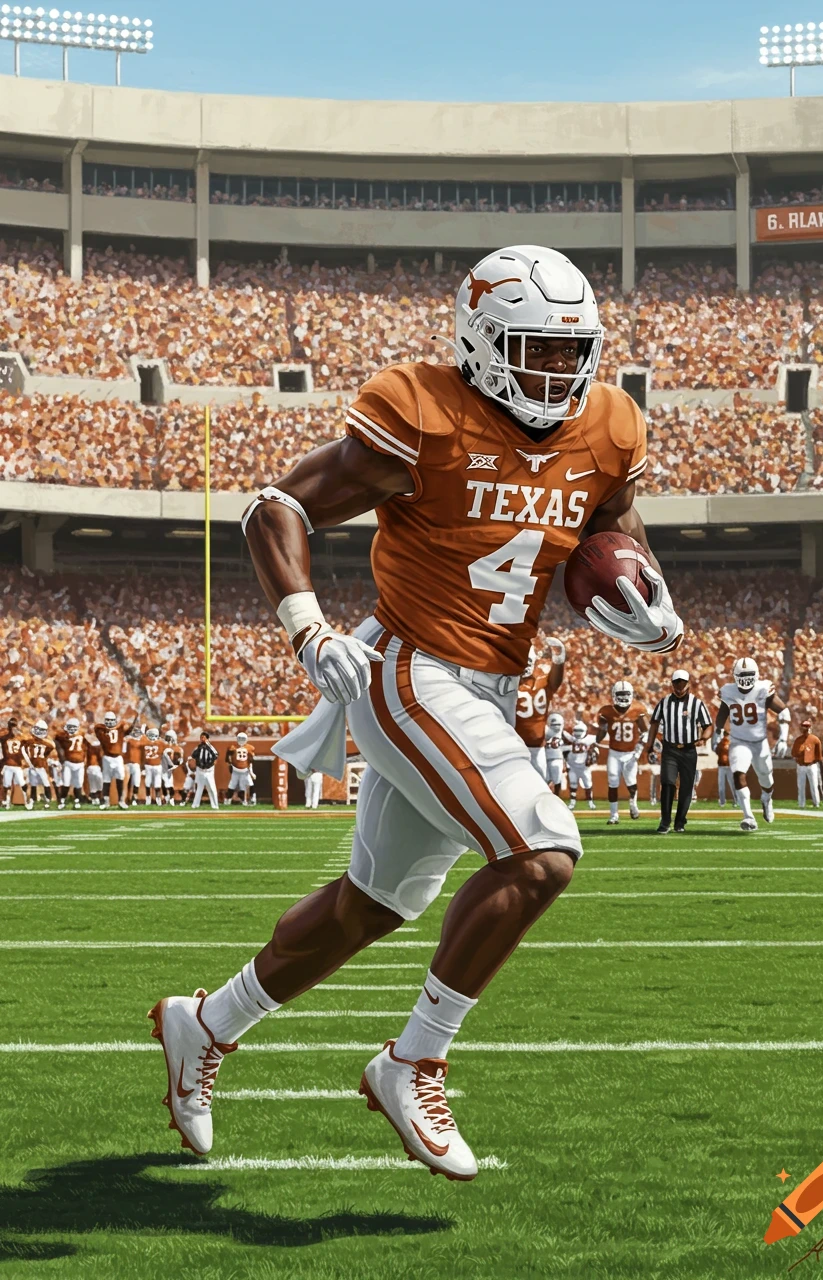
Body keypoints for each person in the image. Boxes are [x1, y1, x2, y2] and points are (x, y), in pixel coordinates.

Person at [147, 243, 683, 1180]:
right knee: (544, 849)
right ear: (479, 344)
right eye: (533, 349)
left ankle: (206, 1022)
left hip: (490, 684)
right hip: (405, 670)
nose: (558, 371)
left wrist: (645, 592)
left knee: (372, 905)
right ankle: (413, 1060)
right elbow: (274, 509)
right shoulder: (425, 410)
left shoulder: (609, 425)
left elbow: (613, 520)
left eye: (572, 352)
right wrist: (309, 628)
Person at [713, 657, 790, 832]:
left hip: (760, 743)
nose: (746, 679)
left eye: (748, 675)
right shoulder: (728, 691)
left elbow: (783, 711)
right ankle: (748, 816)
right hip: (739, 741)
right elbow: (723, 712)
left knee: (766, 778)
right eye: (743, 675)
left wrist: (783, 738)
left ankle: (766, 799)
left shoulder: (763, 689)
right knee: (738, 773)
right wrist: (717, 732)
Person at [644, 669, 712, 833]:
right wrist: (649, 744)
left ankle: (680, 821)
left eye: (682, 683)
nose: (680, 686)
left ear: (688, 684)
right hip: (670, 748)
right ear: (672, 684)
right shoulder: (665, 702)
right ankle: (665, 821)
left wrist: (704, 737)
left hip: (689, 749)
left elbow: (708, 725)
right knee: (667, 782)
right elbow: (654, 723)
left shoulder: (696, 703)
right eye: (677, 683)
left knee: (687, 786)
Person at [592, 680, 649, 824]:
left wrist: (640, 747)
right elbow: (602, 731)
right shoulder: (607, 711)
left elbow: (646, 732)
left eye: (626, 694)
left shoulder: (637, 709)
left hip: (630, 753)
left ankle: (633, 804)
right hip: (614, 753)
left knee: (631, 782)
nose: (623, 697)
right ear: (614, 695)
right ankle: (613, 815)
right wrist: (595, 742)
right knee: (612, 782)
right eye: (620, 694)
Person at [514, 638, 565, 780]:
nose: (525, 665)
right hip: (514, 746)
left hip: (538, 747)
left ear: (534, 660)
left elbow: (556, 681)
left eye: (528, 661)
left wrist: (559, 659)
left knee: (541, 783)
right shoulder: (508, 683)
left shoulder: (542, 682)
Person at [96, 711, 128, 810]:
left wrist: (116, 727)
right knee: (106, 780)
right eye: (108, 720)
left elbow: (125, 724)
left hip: (118, 758)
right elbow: (96, 726)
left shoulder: (120, 730)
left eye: (111, 720)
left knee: (120, 779)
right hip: (107, 758)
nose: (109, 722)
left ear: (115, 721)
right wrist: (112, 728)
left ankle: (121, 801)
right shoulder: (101, 731)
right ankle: (106, 801)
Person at [564, 720, 597, 811]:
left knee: (588, 785)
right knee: (573, 784)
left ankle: (590, 802)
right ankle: (572, 802)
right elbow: (565, 734)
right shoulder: (572, 739)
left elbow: (599, 738)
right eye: (576, 730)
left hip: (584, 767)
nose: (578, 733)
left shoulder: (590, 739)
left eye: (580, 731)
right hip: (573, 767)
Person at [24, 719, 56, 810]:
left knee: (45, 783)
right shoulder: (44, 743)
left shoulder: (34, 742)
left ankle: (47, 801)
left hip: (40, 767)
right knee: (34, 784)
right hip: (34, 766)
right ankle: (34, 801)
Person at [791, 719, 822, 809]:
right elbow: (793, 753)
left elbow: (818, 755)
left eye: (808, 727)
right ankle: (801, 804)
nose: (807, 729)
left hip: (811, 765)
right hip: (801, 765)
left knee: (814, 785)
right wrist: (799, 756)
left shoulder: (815, 739)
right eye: (805, 727)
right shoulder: (798, 740)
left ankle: (816, 803)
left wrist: (813, 761)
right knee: (801, 786)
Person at [190, 733, 219, 809]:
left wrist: (208, 745)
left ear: (208, 739)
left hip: (209, 771)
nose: (202, 739)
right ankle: (195, 805)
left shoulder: (211, 747)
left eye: (204, 738)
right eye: (201, 738)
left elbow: (216, 755)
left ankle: (215, 805)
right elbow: (193, 755)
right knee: (199, 788)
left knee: (212, 788)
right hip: (200, 770)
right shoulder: (199, 747)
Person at [224, 732, 254, 806]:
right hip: (236, 769)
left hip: (244, 770)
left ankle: (244, 800)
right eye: (240, 739)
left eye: (243, 739)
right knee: (232, 784)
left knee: (242, 785)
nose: (241, 740)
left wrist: (251, 771)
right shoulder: (232, 747)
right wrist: (230, 765)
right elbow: (227, 759)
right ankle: (228, 799)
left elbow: (250, 760)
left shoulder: (250, 748)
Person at [543, 712, 566, 794]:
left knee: (557, 779)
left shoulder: (562, 734)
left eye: (558, 724)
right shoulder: (544, 730)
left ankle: (557, 796)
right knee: (545, 779)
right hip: (545, 757)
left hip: (556, 756)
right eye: (554, 724)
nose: (556, 726)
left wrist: (564, 762)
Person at [141, 727, 165, 806]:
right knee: (150, 783)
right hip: (151, 765)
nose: (153, 737)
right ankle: (152, 799)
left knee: (154, 783)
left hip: (155, 765)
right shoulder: (160, 743)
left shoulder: (145, 741)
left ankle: (155, 799)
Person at [716, 728, 733, 806]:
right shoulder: (723, 743)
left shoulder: (730, 743)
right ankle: (723, 801)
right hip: (723, 766)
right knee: (722, 786)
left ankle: (735, 800)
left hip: (728, 766)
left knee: (731, 785)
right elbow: (717, 751)